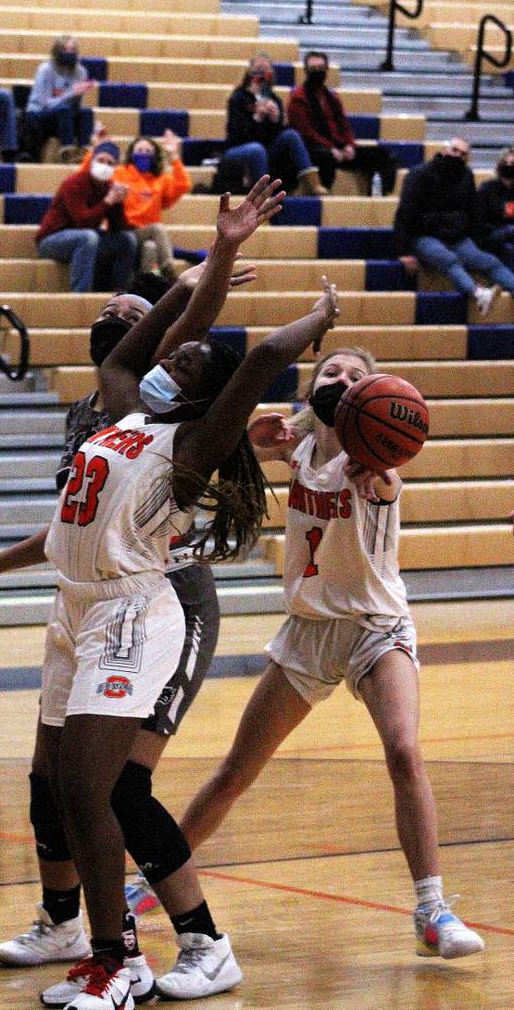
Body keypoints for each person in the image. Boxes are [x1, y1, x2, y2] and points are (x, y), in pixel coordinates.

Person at [0, 178, 340, 1010]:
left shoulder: (193, 443)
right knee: (61, 787)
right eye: (174, 355)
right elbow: (136, 349)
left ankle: (119, 963)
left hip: (133, 612)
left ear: (205, 398)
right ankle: (96, 949)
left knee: (100, 790)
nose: (171, 360)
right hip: (75, 608)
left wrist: (324, 316)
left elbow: (265, 357)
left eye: (188, 364)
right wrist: (217, 252)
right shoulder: (123, 406)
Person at [179, 346, 485, 962]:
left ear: (366, 397)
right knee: (236, 771)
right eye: (331, 372)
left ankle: (433, 908)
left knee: (404, 749)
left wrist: (381, 468)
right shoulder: (293, 444)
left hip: (377, 625)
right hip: (309, 630)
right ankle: (152, 881)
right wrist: (247, 438)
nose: (342, 380)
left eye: (355, 376)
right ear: (313, 388)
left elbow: (384, 475)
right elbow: (209, 459)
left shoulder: (374, 455)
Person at [393, 138, 514, 316]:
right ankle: (478, 293)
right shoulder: (419, 174)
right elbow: (405, 214)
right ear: (444, 150)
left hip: (456, 237)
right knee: (448, 260)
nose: (458, 155)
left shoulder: (467, 176)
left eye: (463, 154)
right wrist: (403, 252)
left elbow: (471, 213)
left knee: (490, 262)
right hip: (423, 236)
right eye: (455, 150)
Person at [214, 56, 326, 198]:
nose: (261, 75)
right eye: (258, 70)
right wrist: (257, 118)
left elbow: (273, 136)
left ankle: (312, 183)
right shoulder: (238, 98)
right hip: (237, 149)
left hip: (264, 150)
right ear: (250, 73)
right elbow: (237, 135)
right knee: (256, 149)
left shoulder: (273, 99)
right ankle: (264, 196)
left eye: (266, 70)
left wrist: (276, 120)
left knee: (291, 135)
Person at [288, 50, 398, 195]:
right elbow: (305, 132)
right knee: (326, 157)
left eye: (321, 68)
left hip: (338, 148)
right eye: (313, 69)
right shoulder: (298, 98)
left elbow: (344, 125)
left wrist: (349, 145)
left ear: (326, 70)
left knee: (383, 156)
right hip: (314, 149)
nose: (317, 72)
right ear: (306, 71)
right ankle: (323, 198)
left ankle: (380, 195)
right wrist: (330, 148)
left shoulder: (332, 97)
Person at [36, 141, 137, 293]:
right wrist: (108, 201)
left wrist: (118, 202)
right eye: (101, 160)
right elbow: (82, 222)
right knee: (88, 237)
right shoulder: (74, 183)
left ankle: (119, 293)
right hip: (51, 240)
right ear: (92, 161)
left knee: (127, 239)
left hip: (85, 239)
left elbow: (118, 227)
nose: (105, 165)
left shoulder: (109, 187)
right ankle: (80, 295)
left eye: (110, 163)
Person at [115, 130, 191, 281]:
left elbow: (184, 185)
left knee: (150, 248)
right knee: (157, 228)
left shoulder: (161, 180)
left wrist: (173, 157)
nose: (144, 154)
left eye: (148, 151)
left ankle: (143, 287)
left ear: (154, 156)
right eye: (140, 150)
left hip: (147, 236)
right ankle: (169, 271)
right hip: (125, 231)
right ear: (132, 154)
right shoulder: (121, 173)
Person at [25, 36, 96, 163]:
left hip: (64, 115)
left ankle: (84, 152)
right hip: (38, 114)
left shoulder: (80, 72)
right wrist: (70, 93)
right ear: (57, 51)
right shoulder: (46, 69)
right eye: (65, 50)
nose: (69, 53)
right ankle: (67, 152)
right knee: (64, 110)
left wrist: (78, 95)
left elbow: (75, 107)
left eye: (72, 50)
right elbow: (43, 103)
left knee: (86, 112)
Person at [475, 146, 514, 270]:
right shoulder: (487, 188)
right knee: (510, 250)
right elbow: (479, 222)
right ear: (499, 165)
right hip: (491, 236)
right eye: (506, 163)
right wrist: (505, 230)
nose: (509, 166)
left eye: (512, 163)